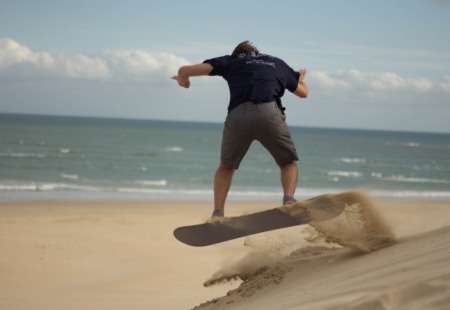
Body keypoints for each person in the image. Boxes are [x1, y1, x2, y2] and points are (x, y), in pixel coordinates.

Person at [172, 41, 308, 220]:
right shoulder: (277, 63)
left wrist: (184, 82)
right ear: (256, 52)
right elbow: (303, 93)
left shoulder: (231, 61)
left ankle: (218, 213)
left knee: (227, 165)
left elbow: (183, 70)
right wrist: (300, 80)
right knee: (287, 162)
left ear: (238, 54)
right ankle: (289, 200)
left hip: (238, 115)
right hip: (269, 114)